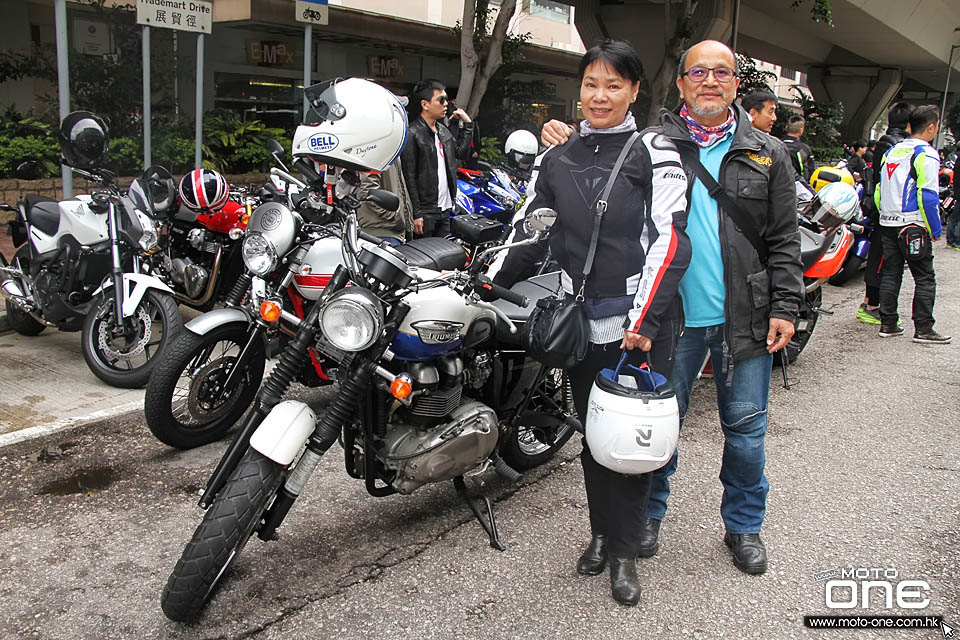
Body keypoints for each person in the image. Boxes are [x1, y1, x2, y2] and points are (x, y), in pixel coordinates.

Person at [542, 39, 802, 576]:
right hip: (670, 318)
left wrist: (786, 303)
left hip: (743, 316)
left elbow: (784, 238)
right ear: (680, 82)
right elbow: (601, 154)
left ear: (736, 84)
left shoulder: (768, 152)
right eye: (697, 72)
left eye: (722, 73)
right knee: (653, 432)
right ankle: (642, 525)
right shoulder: (657, 142)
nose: (710, 81)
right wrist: (567, 136)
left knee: (747, 431)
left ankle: (744, 527)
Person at [499, 40, 691, 606]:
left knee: (625, 442)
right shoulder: (555, 156)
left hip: (638, 324)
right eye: (590, 84)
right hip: (579, 323)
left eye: (613, 85)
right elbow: (531, 230)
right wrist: (486, 279)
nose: (599, 96)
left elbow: (670, 241)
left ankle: (626, 551)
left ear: (634, 90)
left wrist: (644, 320)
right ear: (578, 88)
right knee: (593, 436)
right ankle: (602, 535)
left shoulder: (653, 151)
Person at [874, 104, 950, 344]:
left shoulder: (892, 151)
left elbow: (878, 190)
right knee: (925, 277)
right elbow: (928, 195)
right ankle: (924, 328)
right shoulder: (925, 153)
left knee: (891, 274)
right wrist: (935, 229)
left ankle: (888, 323)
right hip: (913, 225)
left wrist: (886, 215)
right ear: (931, 127)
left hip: (887, 221)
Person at [856, 102, 914, 325]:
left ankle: (874, 304)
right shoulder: (896, 144)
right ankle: (871, 305)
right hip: (887, 210)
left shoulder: (890, 142)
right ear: (909, 123)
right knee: (881, 258)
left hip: (885, 208)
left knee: (883, 257)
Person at [400, 79, 474, 238]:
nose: (446, 104)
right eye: (441, 100)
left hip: (445, 208)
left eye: (446, 99)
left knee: (444, 256)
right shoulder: (413, 133)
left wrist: (468, 125)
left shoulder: (442, 130)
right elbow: (409, 176)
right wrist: (416, 212)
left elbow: (460, 153)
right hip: (426, 212)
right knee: (424, 257)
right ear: (425, 104)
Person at [356, 157, 415, 246]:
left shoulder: (390, 149)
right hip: (382, 233)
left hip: (391, 231)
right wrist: (394, 216)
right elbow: (367, 192)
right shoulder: (377, 148)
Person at [782, 115, 814, 182]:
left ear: (786, 127)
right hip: (798, 187)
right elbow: (809, 172)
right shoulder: (804, 149)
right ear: (801, 130)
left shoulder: (774, 144)